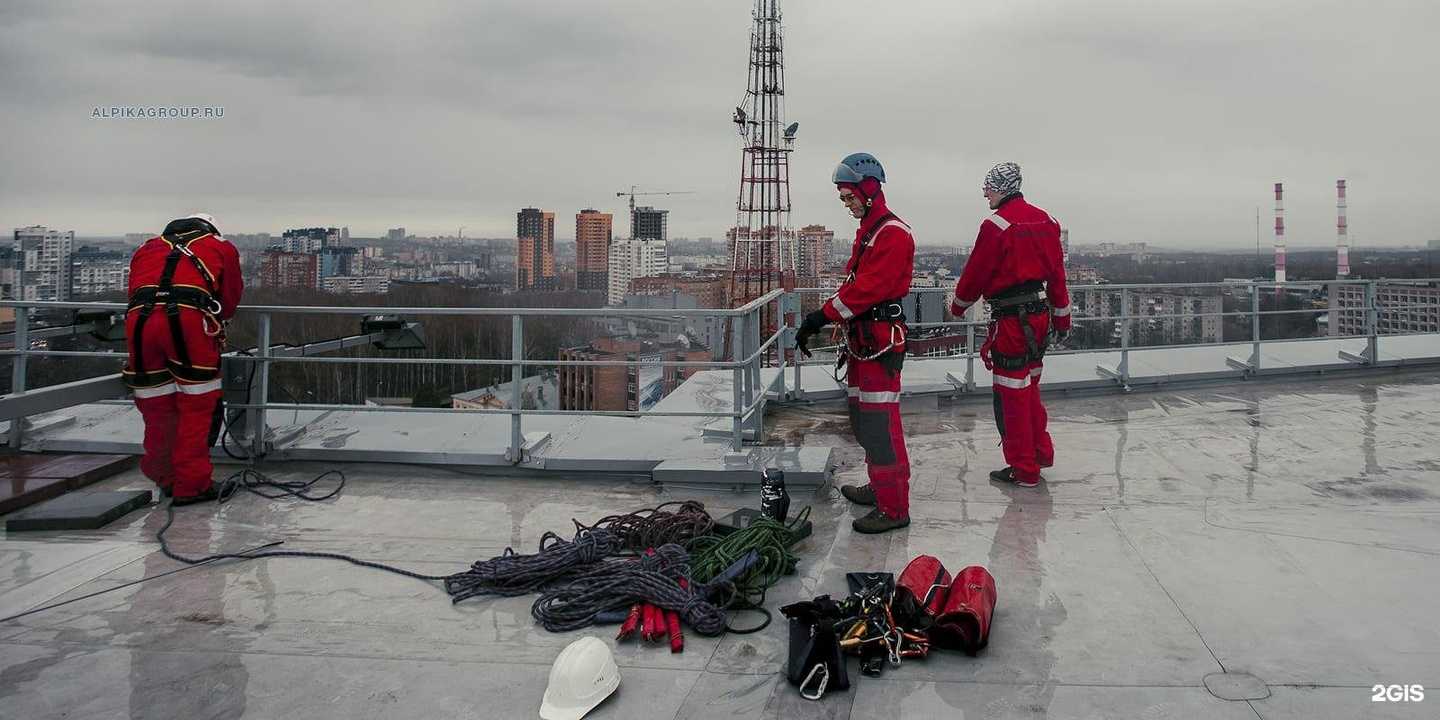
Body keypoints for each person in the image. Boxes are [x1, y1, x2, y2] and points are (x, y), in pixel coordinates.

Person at [796, 152, 915, 534]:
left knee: (881, 427)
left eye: (849, 197)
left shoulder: (892, 233)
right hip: (864, 340)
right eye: (843, 198)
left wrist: (821, 316)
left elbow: (868, 289)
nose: (846, 204)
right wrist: (832, 318)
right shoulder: (871, 230)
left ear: (869, 189)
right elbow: (855, 284)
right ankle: (880, 487)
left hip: (879, 342)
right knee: (864, 421)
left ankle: (894, 508)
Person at [950, 163, 1071, 488]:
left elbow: (976, 273)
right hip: (1039, 318)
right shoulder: (1048, 221)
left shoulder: (996, 226)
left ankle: (1024, 469)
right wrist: (1062, 318)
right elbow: (1057, 276)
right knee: (1030, 389)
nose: (984, 193)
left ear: (1002, 188)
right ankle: (1040, 453)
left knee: (1012, 395)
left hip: (1012, 323)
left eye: (988, 186)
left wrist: (958, 306)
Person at [124, 213, 243, 505]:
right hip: (188, 323)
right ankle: (192, 485)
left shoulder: (147, 247)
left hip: (139, 323)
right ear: (210, 229)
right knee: (197, 406)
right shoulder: (219, 246)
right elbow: (229, 299)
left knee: (155, 405)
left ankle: (165, 476)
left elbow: (134, 291)